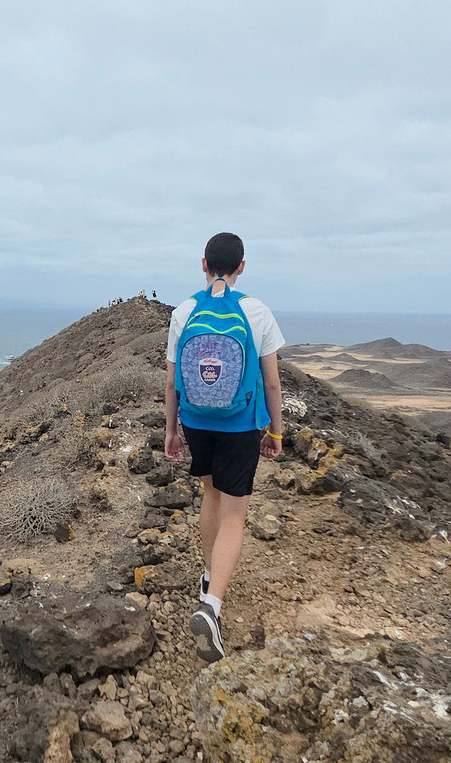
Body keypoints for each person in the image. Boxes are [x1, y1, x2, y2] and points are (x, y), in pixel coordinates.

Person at [164, 232, 285, 661]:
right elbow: (271, 381)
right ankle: (212, 607)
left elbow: (172, 379)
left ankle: (208, 575)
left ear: (203, 264)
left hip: (196, 421)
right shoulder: (257, 311)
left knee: (211, 494)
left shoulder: (183, 312)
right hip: (239, 424)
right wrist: (275, 431)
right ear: (242, 266)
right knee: (236, 514)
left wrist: (171, 430)